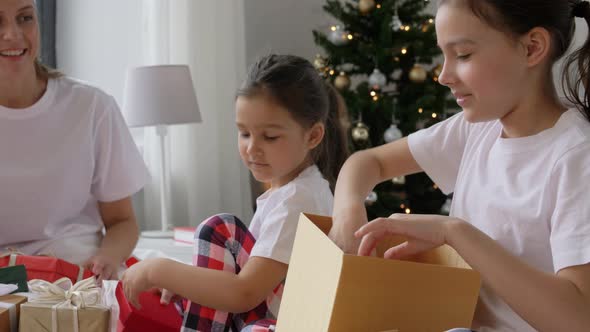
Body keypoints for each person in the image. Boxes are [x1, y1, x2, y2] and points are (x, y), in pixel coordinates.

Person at [330, 0, 590, 331]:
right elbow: (369, 162)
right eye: (444, 55)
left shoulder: (576, 158)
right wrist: (347, 212)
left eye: (463, 55)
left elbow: (579, 317)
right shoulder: (480, 128)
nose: (443, 76)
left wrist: (453, 232)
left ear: (532, 48)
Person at [121, 54, 348, 331]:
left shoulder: (300, 199)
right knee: (220, 230)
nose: (252, 148)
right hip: (266, 315)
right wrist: (187, 286)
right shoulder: (288, 192)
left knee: (220, 228)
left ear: (312, 136)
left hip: (289, 324)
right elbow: (242, 278)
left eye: (270, 136)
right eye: (244, 133)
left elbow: (245, 292)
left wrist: (159, 269)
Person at [0, 0, 149, 282]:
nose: (12, 34)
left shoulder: (92, 106)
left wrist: (107, 257)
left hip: (79, 277)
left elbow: (122, 222)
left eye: (25, 18)